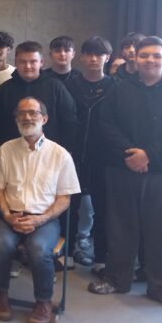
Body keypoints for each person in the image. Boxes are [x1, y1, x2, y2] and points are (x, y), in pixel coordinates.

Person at [88, 37, 162, 313]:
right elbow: (106, 124)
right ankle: (117, 279)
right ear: (136, 59)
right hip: (122, 168)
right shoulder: (118, 91)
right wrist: (130, 153)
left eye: (156, 56)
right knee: (121, 227)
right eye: (145, 55)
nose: (150, 61)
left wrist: (149, 155)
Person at [0, 97, 80, 323]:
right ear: (16, 119)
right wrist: (8, 215)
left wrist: (41, 218)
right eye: (21, 114)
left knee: (38, 249)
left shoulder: (60, 155)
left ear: (44, 119)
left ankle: (43, 302)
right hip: (11, 215)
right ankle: (0, 295)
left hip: (45, 219)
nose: (27, 117)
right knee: (0, 243)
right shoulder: (4, 151)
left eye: (33, 113)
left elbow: (65, 198)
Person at [64, 36, 115, 272]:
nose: (94, 59)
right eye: (89, 54)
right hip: (73, 154)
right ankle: (67, 251)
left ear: (107, 57)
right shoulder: (70, 85)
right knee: (70, 204)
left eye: (99, 54)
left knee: (103, 207)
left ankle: (100, 256)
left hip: (104, 156)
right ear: (82, 57)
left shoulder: (116, 87)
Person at [0, 41, 77, 158]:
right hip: (11, 156)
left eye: (33, 61)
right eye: (22, 62)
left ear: (41, 62)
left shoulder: (56, 87)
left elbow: (69, 121)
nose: (28, 66)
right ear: (15, 63)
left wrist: (66, 151)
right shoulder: (4, 90)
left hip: (49, 156)